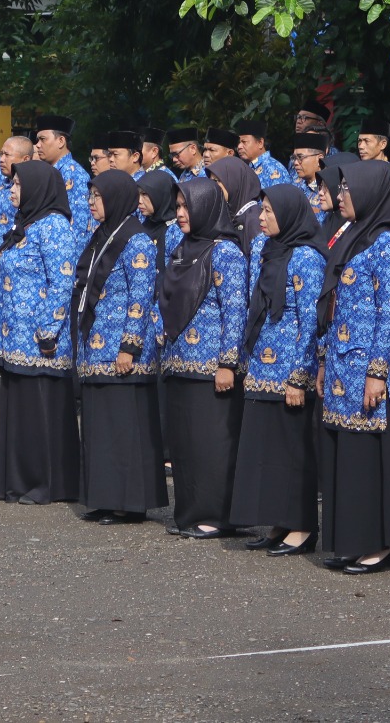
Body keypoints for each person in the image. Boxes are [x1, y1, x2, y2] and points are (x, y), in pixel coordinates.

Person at [318, 162, 390, 574]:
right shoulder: (354, 238)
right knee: (348, 459)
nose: (340, 195)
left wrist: (377, 372)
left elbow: (388, 314)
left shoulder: (388, 243)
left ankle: (377, 547)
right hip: (343, 367)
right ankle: (351, 540)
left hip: (369, 372)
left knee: (369, 460)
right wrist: (326, 360)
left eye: (348, 188)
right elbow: (335, 306)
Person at [228, 184, 326, 556]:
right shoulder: (270, 249)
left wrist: (299, 376)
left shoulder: (305, 257)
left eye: (269, 212)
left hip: (288, 372)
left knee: (291, 452)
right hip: (262, 368)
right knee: (266, 451)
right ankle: (278, 523)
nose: (262, 218)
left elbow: (311, 321)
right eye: (262, 211)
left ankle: (301, 527)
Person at [73, 170, 167, 525]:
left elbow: (141, 297)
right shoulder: (100, 235)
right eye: (90, 197)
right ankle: (103, 496)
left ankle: (127, 503)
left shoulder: (137, 240)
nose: (91, 203)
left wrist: (129, 345)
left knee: (123, 429)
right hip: (96, 347)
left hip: (121, 351)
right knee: (100, 427)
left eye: (97, 197)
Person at [0, 161, 82, 505]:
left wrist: (46, 330)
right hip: (14, 339)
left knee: (41, 414)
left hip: (41, 344)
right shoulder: (25, 224)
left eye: (17, 184)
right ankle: (20, 481)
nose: (11, 189)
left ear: (38, 188)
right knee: (21, 414)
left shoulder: (54, 227)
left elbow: (62, 282)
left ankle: (47, 484)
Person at [158, 177, 247, 537]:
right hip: (179, 361)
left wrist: (227, 362)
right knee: (186, 445)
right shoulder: (182, 246)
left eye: (186, 207)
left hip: (211, 367)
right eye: (177, 207)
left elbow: (236, 310)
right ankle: (191, 513)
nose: (180, 214)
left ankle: (217, 515)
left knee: (212, 445)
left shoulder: (225, 252)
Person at [34, 114, 92, 253]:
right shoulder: (48, 173)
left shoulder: (74, 175)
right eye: (37, 140)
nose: (37, 145)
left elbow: (80, 227)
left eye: (43, 139)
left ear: (61, 141)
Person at [208, 155, 263, 254]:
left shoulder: (255, 219)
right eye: (210, 181)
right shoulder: (228, 211)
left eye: (216, 181)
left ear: (234, 182)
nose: (212, 186)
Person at [0, 135, 33, 240]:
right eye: (1, 154)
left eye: (7, 155)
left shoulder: (31, 191)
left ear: (25, 159)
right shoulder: (1, 185)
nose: (1, 159)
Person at [234, 119, 289, 188]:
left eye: (244, 142)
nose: (239, 146)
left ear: (260, 143)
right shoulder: (244, 169)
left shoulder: (273, 168)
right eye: (239, 142)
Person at [289, 130, 331, 220]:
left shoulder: (329, 190)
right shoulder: (294, 185)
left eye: (300, 157)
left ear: (319, 159)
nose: (295, 163)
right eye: (294, 158)